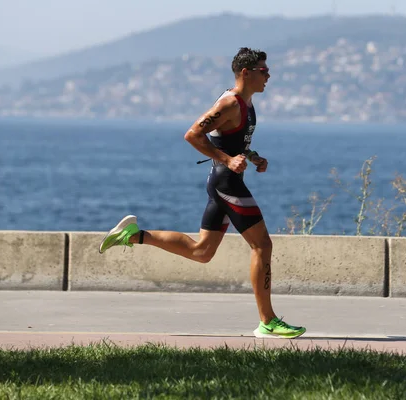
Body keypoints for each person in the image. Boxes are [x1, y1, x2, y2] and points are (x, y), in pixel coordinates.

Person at [99, 47, 306, 339]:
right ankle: (268, 321)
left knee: (202, 252)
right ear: (245, 73)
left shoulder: (246, 104)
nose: (269, 75)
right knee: (263, 246)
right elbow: (193, 134)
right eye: (263, 70)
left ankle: (132, 235)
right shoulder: (230, 103)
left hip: (222, 183)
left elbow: (230, 140)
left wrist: (252, 156)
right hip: (227, 184)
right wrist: (227, 160)